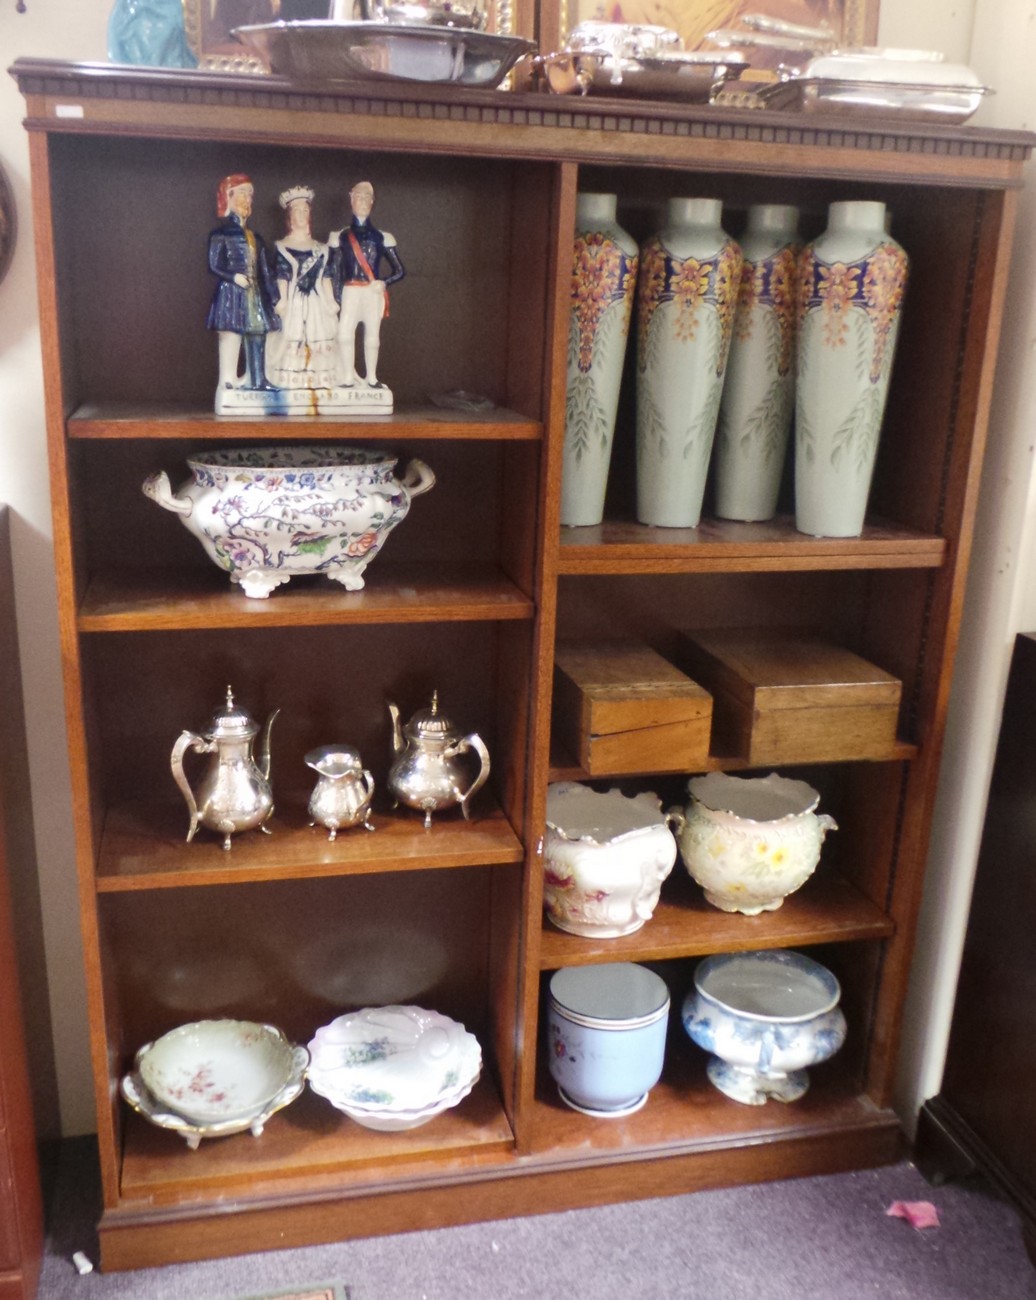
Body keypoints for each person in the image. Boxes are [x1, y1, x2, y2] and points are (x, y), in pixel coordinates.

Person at [205, 173, 279, 393]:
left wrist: (275, 296)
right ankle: (227, 379)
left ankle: (257, 378)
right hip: (231, 293)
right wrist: (233, 277)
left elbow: (265, 271)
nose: (248, 199)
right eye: (243, 193)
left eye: (250, 194)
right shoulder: (220, 234)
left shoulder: (256, 238)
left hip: (253, 293)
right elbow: (213, 265)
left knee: (257, 332)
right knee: (232, 334)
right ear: (229, 197)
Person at [328, 181, 405, 389]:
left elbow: (400, 270)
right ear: (351, 200)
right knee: (344, 333)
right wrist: (335, 298)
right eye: (358, 197)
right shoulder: (340, 236)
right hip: (350, 290)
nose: (362, 202)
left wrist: (384, 282)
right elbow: (333, 271)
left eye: (366, 198)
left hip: (371, 291)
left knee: (372, 335)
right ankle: (347, 376)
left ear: (372, 202)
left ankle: (371, 377)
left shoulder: (382, 237)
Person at [265, 185, 339, 391]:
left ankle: (318, 380)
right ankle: (291, 380)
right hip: (294, 300)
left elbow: (326, 275)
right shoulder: (282, 246)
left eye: (305, 210)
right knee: (292, 334)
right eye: (297, 211)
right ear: (289, 216)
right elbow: (282, 275)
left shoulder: (321, 248)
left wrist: (331, 300)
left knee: (318, 335)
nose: (301, 215)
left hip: (317, 301)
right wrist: (283, 299)